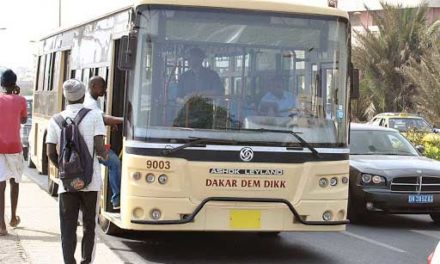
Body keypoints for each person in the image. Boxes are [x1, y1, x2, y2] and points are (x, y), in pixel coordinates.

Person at [46, 79, 107, 264]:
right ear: (83, 95)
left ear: (66, 97)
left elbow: (50, 153)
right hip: (91, 181)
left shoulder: (55, 120)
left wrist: (67, 172)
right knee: (89, 225)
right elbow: (99, 147)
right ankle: (86, 261)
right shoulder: (95, 115)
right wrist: (104, 155)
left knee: (67, 226)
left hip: (67, 185)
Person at [84, 76, 122, 210]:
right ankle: (117, 199)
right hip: (92, 146)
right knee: (115, 162)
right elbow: (103, 118)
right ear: (94, 86)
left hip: (93, 144)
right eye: (103, 87)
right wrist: (124, 120)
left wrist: (112, 123)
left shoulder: (94, 101)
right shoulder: (90, 102)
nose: (105, 90)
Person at [0, 69, 27, 236]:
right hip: (14, 147)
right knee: (14, 182)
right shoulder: (21, 100)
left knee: (0, 185)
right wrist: (17, 96)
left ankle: (1, 225)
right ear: (15, 83)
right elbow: (23, 120)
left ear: (1, 84)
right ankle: (13, 218)